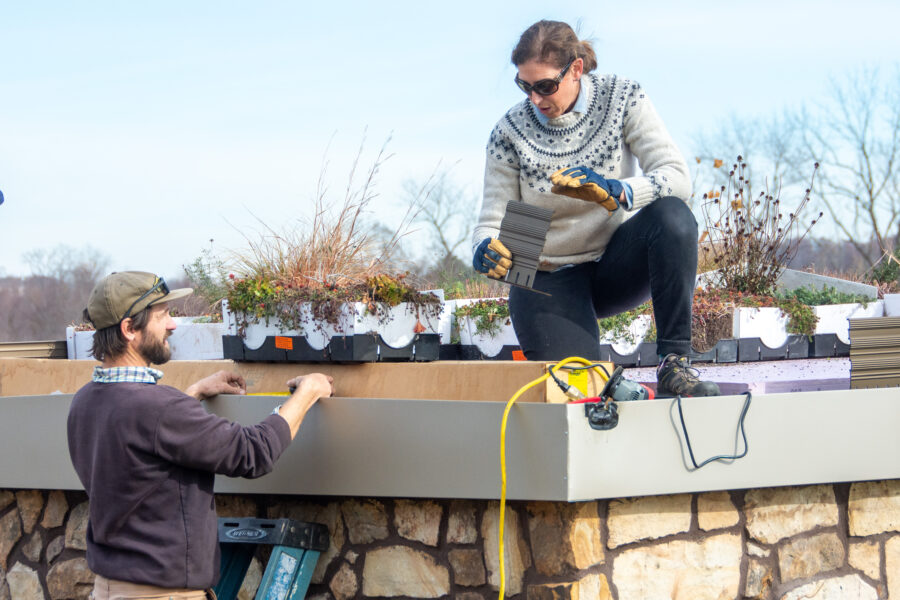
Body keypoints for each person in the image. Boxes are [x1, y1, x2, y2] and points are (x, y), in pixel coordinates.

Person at [472, 20, 719, 397]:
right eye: (525, 86)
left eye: (545, 86)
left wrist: (617, 190)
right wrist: (484, 248)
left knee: (673, 216)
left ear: (576, 70)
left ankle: (674, 365)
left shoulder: (622, 98)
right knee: (587, 392)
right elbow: (493, 220)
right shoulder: (510, 132)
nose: (535, 99)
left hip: (613, 264)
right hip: (546, 275)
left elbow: (677, 177)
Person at [67, 271, 334, 599]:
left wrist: (191, 394)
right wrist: (308, 393)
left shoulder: (85, 401)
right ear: (129, 329)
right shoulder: (159, 408)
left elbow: (139, 437)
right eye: (163, 315)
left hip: (109, 589)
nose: (172, 325)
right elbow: (253, 453)